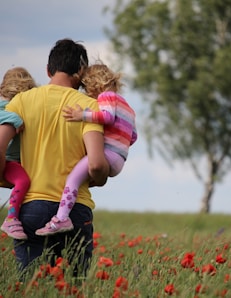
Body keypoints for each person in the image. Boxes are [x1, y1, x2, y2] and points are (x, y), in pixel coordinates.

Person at [0, 38, 109, 277]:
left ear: (49, 70)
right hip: (75, 211)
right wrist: (99, 178)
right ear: (81, 73)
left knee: (31, 287)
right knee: (71, 288)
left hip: (31, 208)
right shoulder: (89, 107)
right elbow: (97, 163)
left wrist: (3, 177)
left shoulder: (21, 101)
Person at [35, 63, 137, 236]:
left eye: (86, 88)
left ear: (94, 84)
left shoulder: (106, 96)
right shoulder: (127, 107)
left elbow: (107, 117)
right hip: (120, 159)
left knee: (73, 179)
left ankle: (61, 219)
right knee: (82, 178)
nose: (87, 94)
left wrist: (81, 115)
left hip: (108, 154)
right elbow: (133, 136)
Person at [0, 67, 36, 240]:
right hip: (6, 160)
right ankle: (11, 218)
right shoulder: (5, 104)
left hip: (15, 160)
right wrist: (16, 120)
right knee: (23, 180)